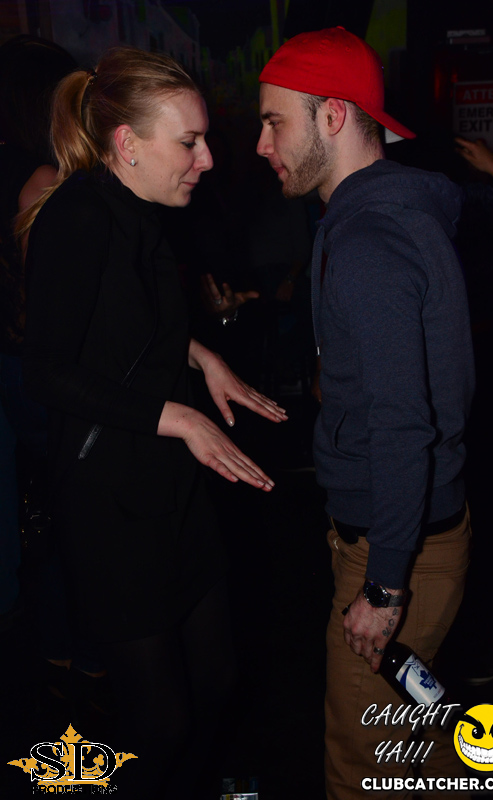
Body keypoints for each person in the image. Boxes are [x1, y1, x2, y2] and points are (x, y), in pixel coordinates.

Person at [20, 46, 287, 799]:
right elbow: (48, 370)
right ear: (127, 143)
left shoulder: (145, 212)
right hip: (111, 505)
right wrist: (179, 415)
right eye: (189, 142)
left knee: (219, 681)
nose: (208, 158)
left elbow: (126, 323)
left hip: (171, 490)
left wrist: (202, 357)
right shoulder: (78, 216)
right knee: (161, 724)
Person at [257, 28, 474, 799]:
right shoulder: (372, 217)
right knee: (418, 741)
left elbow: (402, 428)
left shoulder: (367, 242)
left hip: (396, 550)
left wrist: (383, 590)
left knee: (359, 766)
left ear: (333, 116)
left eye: (273, 122)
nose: (260, 144)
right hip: (404, 530)